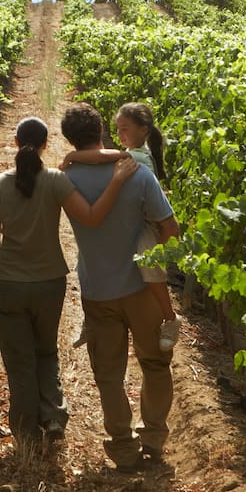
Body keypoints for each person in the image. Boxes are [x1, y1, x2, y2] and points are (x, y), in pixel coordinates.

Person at [0, 117, 138, 449]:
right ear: (46, 144)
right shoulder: (55, 181)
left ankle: (25, 433)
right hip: (49, 282)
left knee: (19, 360)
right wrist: (115, 181)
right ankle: (53, 417)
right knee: (46, 351)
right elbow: (92, 216)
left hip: (10, 283)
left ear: (14, 140)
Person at [59, 102, 180, 473]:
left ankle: (123, 447)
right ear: (103, 132)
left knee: (108, 374)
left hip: (98, 290)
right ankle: (154, 440)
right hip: (142, 289)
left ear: (70, 140)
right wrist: (160, 264)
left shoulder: (62, 179)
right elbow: (170, 228)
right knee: (155, 365)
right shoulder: (137, 174)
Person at [61, 101, 182, 350]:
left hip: (148, 226)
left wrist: (72, 157)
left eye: (125, 129)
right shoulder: (137, 157)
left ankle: (170, 318)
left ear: (144, 130)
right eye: (117, 129)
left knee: (150, 268)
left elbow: (105, 155)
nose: (119, 136)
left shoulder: (132, 158)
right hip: (147, 221)